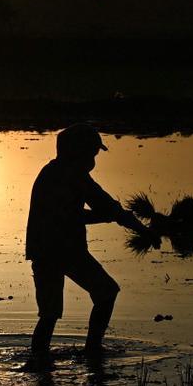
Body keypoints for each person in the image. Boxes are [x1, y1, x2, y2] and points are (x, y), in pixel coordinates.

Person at [25, 123, 142, 368]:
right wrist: (116, 218)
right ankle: (91, 351)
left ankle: (41, 361)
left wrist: (134, 225)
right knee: (105, 292)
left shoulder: (63, 173)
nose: (94, 159)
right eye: (92, 153)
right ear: (79, 152)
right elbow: (73, 215)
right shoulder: (66, 175)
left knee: (49, 314)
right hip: (62, 250)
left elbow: (104, 205)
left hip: (49, 251)